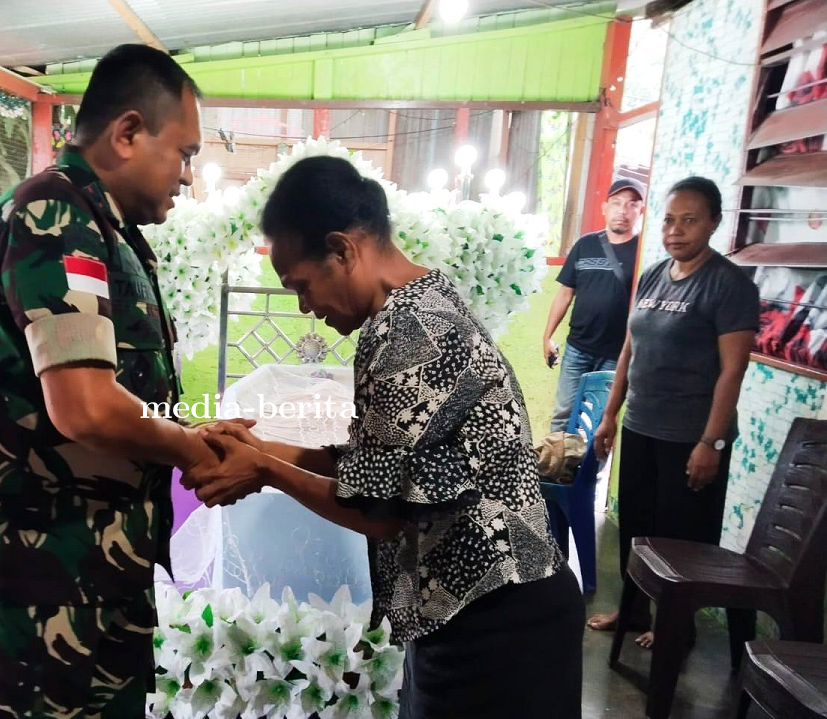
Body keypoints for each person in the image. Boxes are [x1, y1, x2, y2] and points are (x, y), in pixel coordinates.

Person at [186, 156, 585, 718]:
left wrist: (265, 470)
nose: (305, 307)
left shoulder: (409, 328)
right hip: (472, 607)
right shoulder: (416, 303)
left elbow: (381, 511)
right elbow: (382, 468)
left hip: (497, 617)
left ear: (342, 249)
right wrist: (263, 448)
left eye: (302, 285)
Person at [0, 44, 225, 719]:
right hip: (38, 567)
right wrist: (191, 449)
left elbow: (115, 392)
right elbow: (86, 407)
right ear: (127, 133)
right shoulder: (53, 217)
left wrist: (187, 430)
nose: (188, 175)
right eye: (183, 153)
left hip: (91, 561)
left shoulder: (102, 227)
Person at [586, 176, 759, 648]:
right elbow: (630, 349)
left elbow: (733, 371)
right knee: (637, 530)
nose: (675, 230)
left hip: (690, 438)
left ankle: (676, 627)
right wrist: (610, 414)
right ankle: (634, 611)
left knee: (681, 539)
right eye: (668, 220)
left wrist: (711, 442)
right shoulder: (654, 275)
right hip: (642, 426)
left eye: (689, 220)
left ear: (713, 224)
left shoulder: (729, 285)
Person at [544, 178, 645, 432]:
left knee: (599, 422)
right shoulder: (584, 245)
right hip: (577, 348)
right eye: (617, 203)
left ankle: (588, 461)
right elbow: (565, 293)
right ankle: (559, 459)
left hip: (616, 355)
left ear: (640, 211)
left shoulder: (643, 252)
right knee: (563, 415)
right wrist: (547, 336)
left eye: (632, 205)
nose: (623, 211)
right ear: (605, 207)